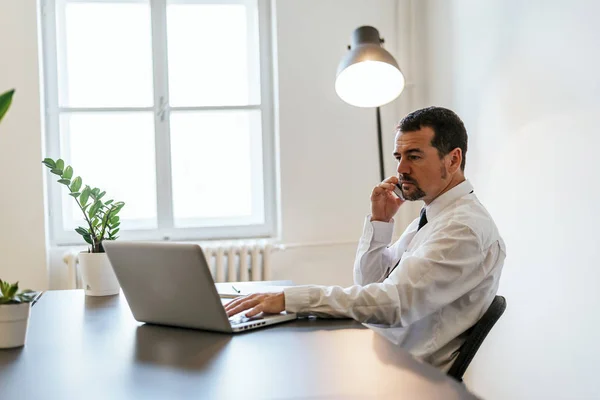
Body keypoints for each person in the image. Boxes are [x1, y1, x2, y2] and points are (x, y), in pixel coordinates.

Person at [225, 106, 506, 371]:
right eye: (399, 157)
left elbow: (391, 303)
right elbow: (371, 284)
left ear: (453, 159)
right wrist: (380, 222)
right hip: (384, 354)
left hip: (408, 377)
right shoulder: (435, 215)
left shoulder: (461, 228)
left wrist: (292, 299)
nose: (402, 169)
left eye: (415, 156)